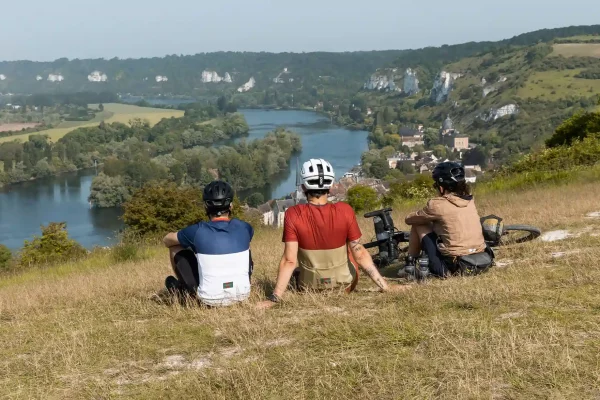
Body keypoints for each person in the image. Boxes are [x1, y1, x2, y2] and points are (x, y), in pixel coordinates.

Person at [258, 158, 405, 309]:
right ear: (330, 187)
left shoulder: (293, 214)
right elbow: (359, 254)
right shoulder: (345, 210)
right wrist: (385, 287)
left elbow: (289, 260)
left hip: (310, 288)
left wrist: (274, 298)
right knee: (351, 249)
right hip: (346, 286)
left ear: (303, 187)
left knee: (297, 268)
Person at [162, 180, 254, 307]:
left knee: (175, 247)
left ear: (206, 206)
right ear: (231, 205)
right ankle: (238, 284)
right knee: (245, 246)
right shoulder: (245, 227)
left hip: (209, 299)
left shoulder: (197, 230)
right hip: (242, 295)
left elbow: (168, 239)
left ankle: (187, 291)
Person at [400, 161, 490, 278]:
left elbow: (410, 220)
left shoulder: (437, 205)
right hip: (482, 260)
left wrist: (425, 218)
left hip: (454, 267)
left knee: (418, 225)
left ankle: (410, 263)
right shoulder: (469, 201)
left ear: (441, 187)